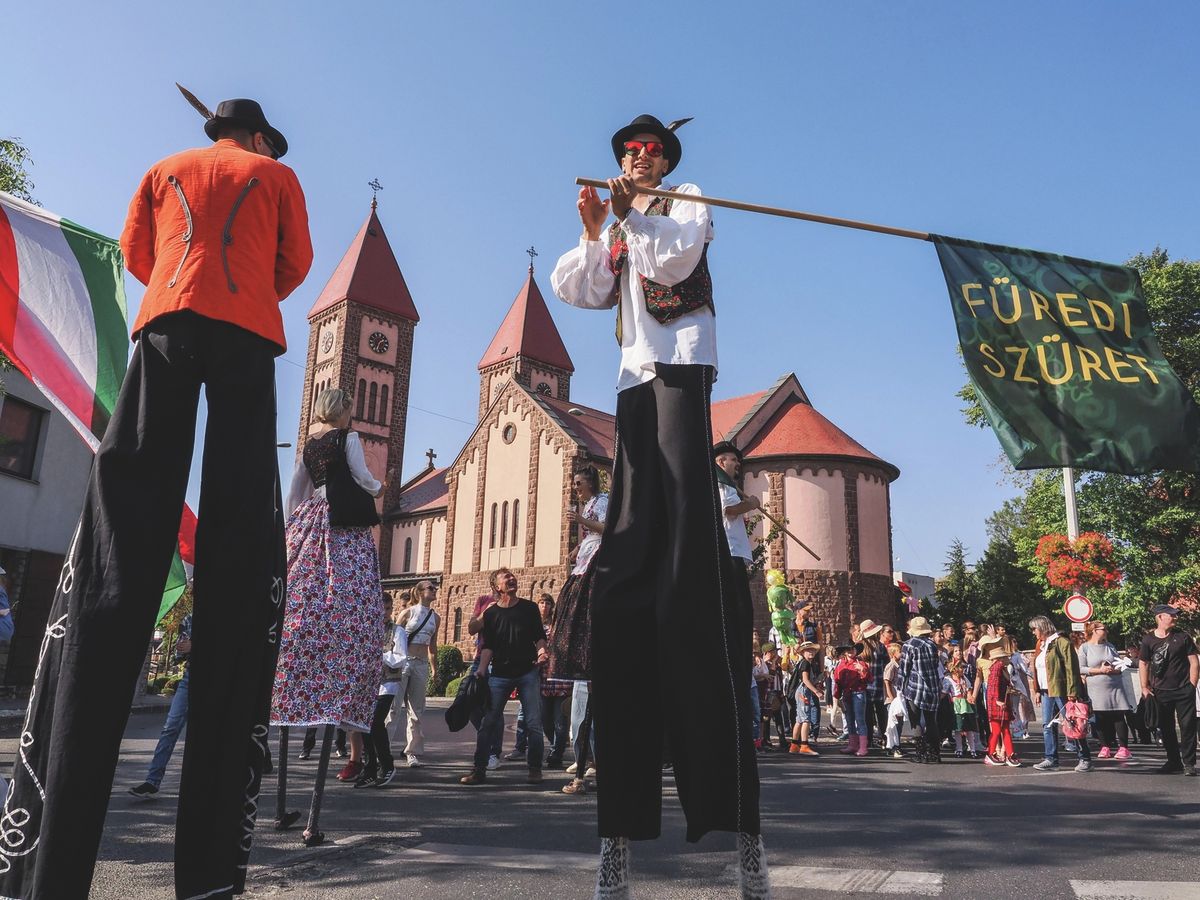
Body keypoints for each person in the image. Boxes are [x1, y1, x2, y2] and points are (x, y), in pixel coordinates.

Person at [0, 96, 312, 899]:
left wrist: (185, 278)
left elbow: (139, 254)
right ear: (257, 139)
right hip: (247, 327)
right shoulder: (276, 175)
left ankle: (51, 864)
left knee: (132, 474)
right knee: (242, 496)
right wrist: (239, 285)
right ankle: (208, 877)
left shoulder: (160, 170)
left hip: (168, 315)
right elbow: (294, 265)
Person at [550, 113, 764, 897]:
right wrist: (594, 227)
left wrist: (635, 210)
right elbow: (581, 288)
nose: (636, 161)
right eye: (628, 155)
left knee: (690, 576)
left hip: (681, 371)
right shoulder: (626, 220)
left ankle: (743, 841)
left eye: (646, 154)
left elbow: (675, 260)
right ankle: (617, 841)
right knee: (630, 561)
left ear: (664, 160)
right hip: (634, 383)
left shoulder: (685, 203)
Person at [272, 387, 387, 845]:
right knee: (351, 602)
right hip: (344, 530)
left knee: (302, 599)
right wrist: (380, 487)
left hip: (310, 525)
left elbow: (296, 493)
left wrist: (291, 534)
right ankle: (341, 679)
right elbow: (362, 477)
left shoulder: (309, 446)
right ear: (345, 413)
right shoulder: (347, 439)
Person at [460, 573, 549, 786]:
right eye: (506, 577)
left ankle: (535, 769)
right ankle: (479, 770)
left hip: (527, 672)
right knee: (488, 722)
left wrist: (542, 653)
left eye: (513, 576)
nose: (512, 578)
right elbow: (488, 645)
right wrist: (481, 670)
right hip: (499, 673)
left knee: (534, 723)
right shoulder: (491, 613)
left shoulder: (529, 608)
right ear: (497, 586)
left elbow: (539, 636)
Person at [129, 613, 194, 799]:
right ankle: (152, 780)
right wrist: (181, 650)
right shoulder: (189, 619)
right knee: (170, 727)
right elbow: (178, 656)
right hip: (189, 678)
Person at [1138, 604, 1199, 775]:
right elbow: (1143, 663)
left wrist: (1192, 684)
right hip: (1160, 691)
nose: (1174, 618)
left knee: (1187, 727)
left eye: (1175, 615)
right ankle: (1174, 761)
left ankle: (1189, 763)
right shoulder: (1148, 640)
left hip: (1183, 689)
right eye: (1170, 615)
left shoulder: (1183, 637)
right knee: (1166, 728)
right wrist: (1144, 686)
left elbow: (1194, 661)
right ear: (1159, 618)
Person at [1029, 615, 1092, 773]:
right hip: (1046, 690)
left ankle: (1085, 758)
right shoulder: (1041, 644)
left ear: (1042, 627)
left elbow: (1072, 668)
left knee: (1074, 724)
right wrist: (1037, 690)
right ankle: (1051, 758)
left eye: (1034, 629)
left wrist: (1072, 691)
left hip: (1061, 690)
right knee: (1047, 725)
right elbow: (1037, 669)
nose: (1033, 632)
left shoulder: (1062, 642)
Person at [391, 580, 440, 769]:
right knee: (393, 708)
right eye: (430, 588)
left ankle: (411, 751)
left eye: (435, 588)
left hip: (420, 665)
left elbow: (433, 646)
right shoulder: (407, 613)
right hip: (403, 663)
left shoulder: (435, 618)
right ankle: (383, 748)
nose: (434, 590)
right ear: (419, 592)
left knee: (416, 712)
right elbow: (393, 639)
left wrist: (434, 669)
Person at [1079, 621, 1134, 761]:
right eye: (1103, 629)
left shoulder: (1110, 646)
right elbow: (1081, 668)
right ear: (1094, 630)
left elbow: (1120, 664)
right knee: (1100, 717)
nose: (1106, 631)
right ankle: (1105, 746)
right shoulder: (1085, 648)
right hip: (1096, 687)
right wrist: (1099, 670)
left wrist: (1114, 669)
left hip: (1115, 686)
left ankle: (1124, 748)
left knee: (1118, 715)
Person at [899, 617, 943, 763]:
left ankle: (920, 753)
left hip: (915, 687)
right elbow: (936, 664)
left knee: (915, 721)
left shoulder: (909, 645)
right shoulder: (932, 645)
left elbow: (904, 668)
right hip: (933, 686)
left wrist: (900, 686)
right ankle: (935, 753)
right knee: (931, 721)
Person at [983, 642, 1020, 767]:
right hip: (998, 703)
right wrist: (998, 700)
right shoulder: (997, 667)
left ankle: (1010, 754)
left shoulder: (1000, 667)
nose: (1008, 659)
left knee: (1004, 730)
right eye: (1005, 657)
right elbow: (993, 685)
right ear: (1000, 658)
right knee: (998, 730)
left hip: (1002, 702)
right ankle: (991, 753)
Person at [833, 644, 871, 757]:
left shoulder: (860, 663)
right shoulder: (840, 665)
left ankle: (863, 747)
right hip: (846, 694)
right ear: (844, 652)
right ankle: (853, 745)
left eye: (852, 649)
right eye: (848, 649)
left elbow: (869, 679)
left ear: (855, 651)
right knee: (849, 720)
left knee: (860, 720)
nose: (850, 651)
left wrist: (863, 670)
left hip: (858, 693)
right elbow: (837, 682)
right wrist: (837, 696)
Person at [787, 642, 823, 756]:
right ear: (803, 652)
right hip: (802, 692)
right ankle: (804, 745)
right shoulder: (805, 663)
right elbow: (805, 680)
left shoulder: (802, 663)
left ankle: (794, 745)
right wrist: (816, 691)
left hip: (799, 692)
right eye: (808, 650)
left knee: (799, 719)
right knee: (806, 719)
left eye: (812, 650)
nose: (811, 652)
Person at [859, 619, 887, 751]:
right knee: (882, 714)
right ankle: (884, 738)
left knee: (867, 715)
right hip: (880, 685)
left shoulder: (861, 648)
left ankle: (868, 739)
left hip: (865, 686)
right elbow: (886, 665)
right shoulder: (880, 647)